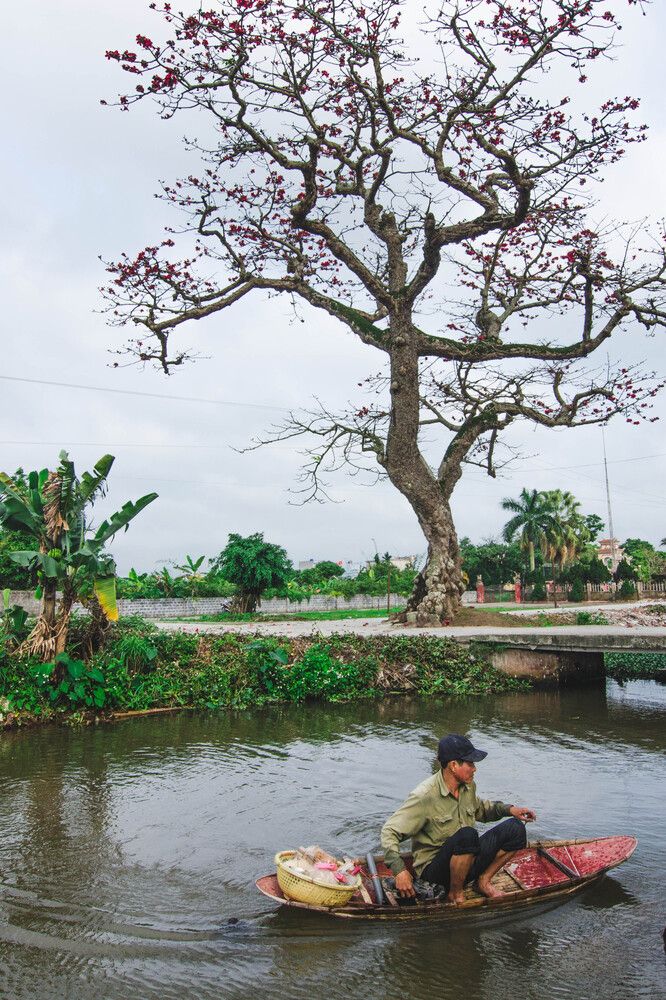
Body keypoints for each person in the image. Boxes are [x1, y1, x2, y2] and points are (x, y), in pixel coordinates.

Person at [380, 733, 537, 904]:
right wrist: (400, 871)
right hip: (434, 875)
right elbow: (389, 832)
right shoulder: (424, 796)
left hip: (465, 861)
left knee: (516, 829)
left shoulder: (468, 787)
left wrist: (510, 810)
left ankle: (482, 881)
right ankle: (455, 894)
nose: (475, 768)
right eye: (470, 763)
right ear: (454, 765)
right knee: (468, 835)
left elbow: (481, 809)